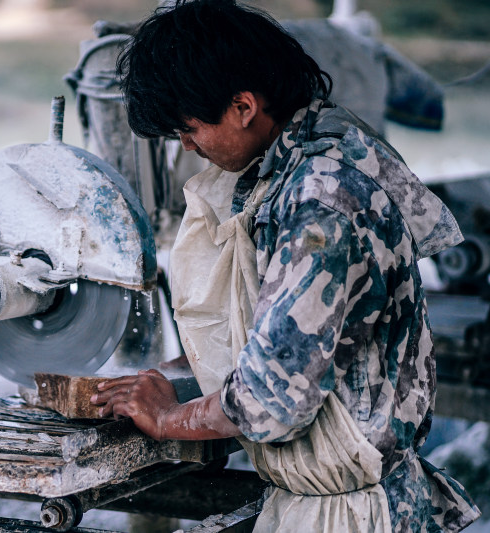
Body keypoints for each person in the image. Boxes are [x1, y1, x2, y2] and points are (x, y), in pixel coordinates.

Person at [89, 1, 480, 531]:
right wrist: (173, 376)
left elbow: (272, 399)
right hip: (325, 495)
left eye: (189, 129)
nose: (186, 145)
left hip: (352, 513)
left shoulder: (323, 199)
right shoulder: (298, 160)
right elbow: (284, 335)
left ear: (243, 106)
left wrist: (166, 417)